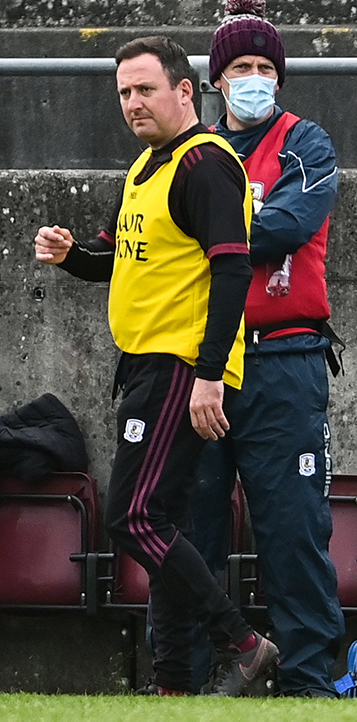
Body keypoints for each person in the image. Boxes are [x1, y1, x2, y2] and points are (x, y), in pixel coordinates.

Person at [32, 35, 277, 697]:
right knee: (162, 525)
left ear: (184, 91)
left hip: (178, 367)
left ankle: (245, 642)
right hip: (144, 366)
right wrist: (69, 255)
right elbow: (112, 259)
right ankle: (174, 688)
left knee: (132, 518)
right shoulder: (146, 167)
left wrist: (206, 375)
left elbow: (232, 271)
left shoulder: (205, 164)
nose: (133, 103)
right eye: (124, 93)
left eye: (144, 89)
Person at [180, 0, 346, 698]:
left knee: (294, 530)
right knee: (191, 532)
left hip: (285, 360)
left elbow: (287, 226)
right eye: (240, 68)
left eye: (264, 67)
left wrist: (215, 231)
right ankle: (187, 679)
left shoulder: (306, 143)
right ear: (216, 80)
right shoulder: (191, 153)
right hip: (202, 366)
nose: (254, 78)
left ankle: (308, 683)